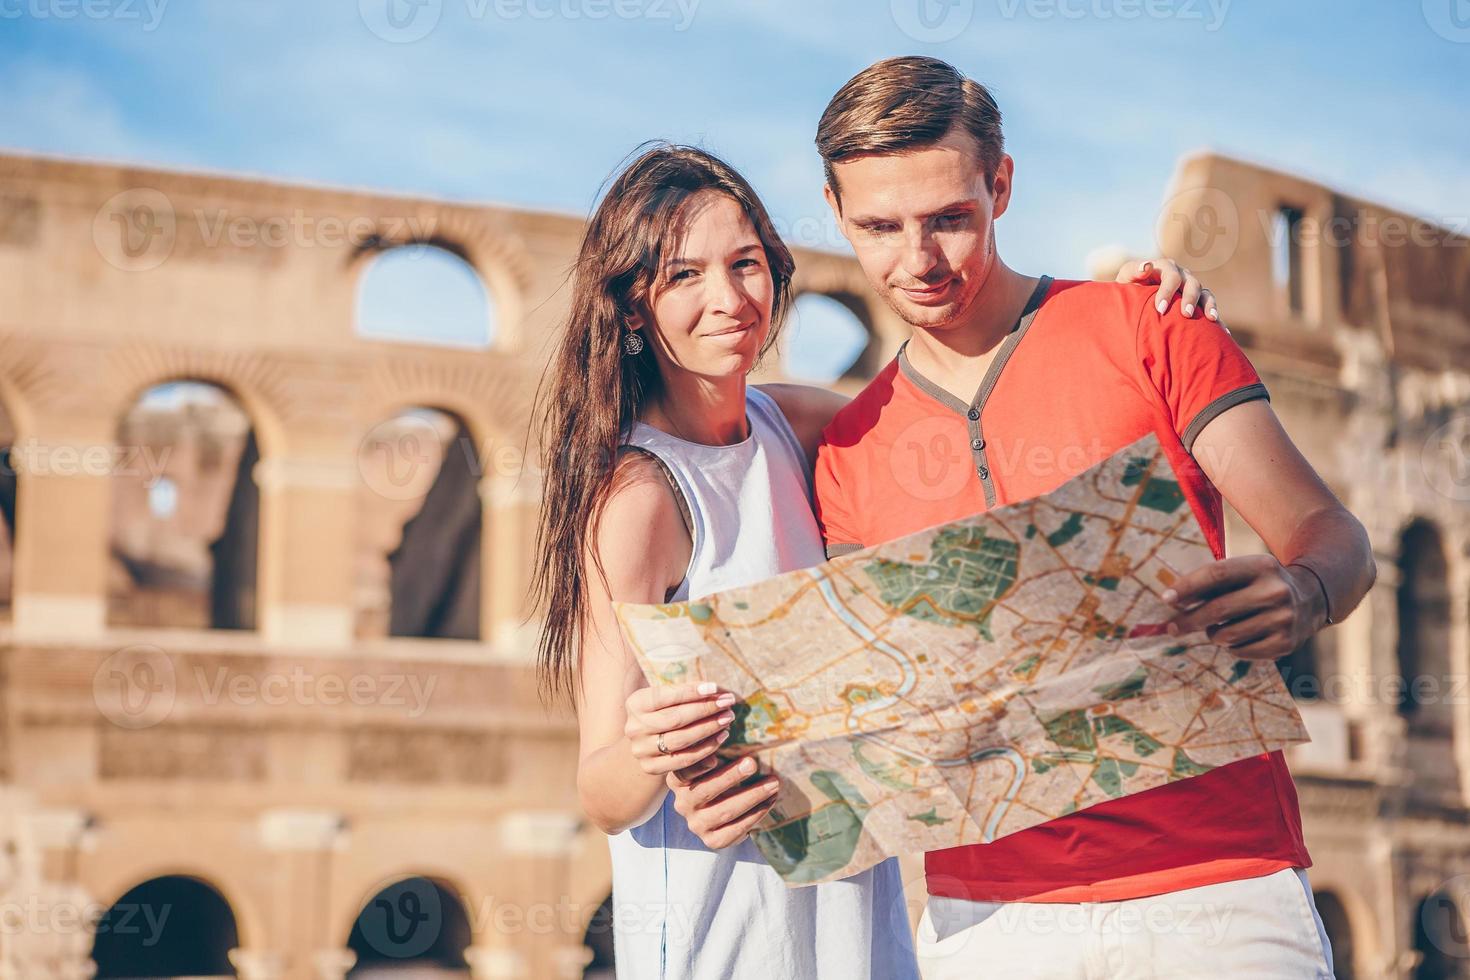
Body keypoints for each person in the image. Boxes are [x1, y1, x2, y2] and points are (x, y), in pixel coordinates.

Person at [672, 57, 1376, 980]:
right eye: (879, 227)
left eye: (949, 220)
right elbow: (863, 717)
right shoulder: (845, 451)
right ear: (836, 214)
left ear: (1000, 185)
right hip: (985, 923)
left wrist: (1305, 588)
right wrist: (735, 787)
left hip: (1218, 891)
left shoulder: (1150, 326)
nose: (918, 261)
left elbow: (1336, 537)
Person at [532, 140, 1225, 979]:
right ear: (633, 307)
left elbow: (975, 399)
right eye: (683, 276)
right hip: (726, 935)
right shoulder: (636, 496)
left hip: (855, 927)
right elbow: (600, 793)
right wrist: (651, 749)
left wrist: (1127, 311)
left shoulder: (800, 424)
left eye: (745, 263)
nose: (728, 299)